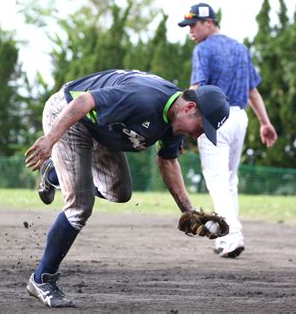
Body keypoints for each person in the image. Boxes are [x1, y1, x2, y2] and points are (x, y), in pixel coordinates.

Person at [24, 69, 230, 307]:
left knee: (119, 192)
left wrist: (189, 212)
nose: (198, 134)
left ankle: (54, 174)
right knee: (80, 206)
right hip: (70, 115)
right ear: (190, 108)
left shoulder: (174, 121)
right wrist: (51, 138)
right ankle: (42, 279)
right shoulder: (144, 99)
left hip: (103, 129)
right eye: (202, 127)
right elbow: (84, 100)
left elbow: (168, 161)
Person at [178, 3, 278, 258]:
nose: (190, 30)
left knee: (217, 180)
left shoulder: (203, 49)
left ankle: (232, 235)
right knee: (229, 180)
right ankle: (228, 237)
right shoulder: (240, 48)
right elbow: (252, 91)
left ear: (209, 22)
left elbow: (196, 87)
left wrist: (180, 120)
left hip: (214, 119)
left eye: (193, 25)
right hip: (239, 118)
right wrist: (265, 123)